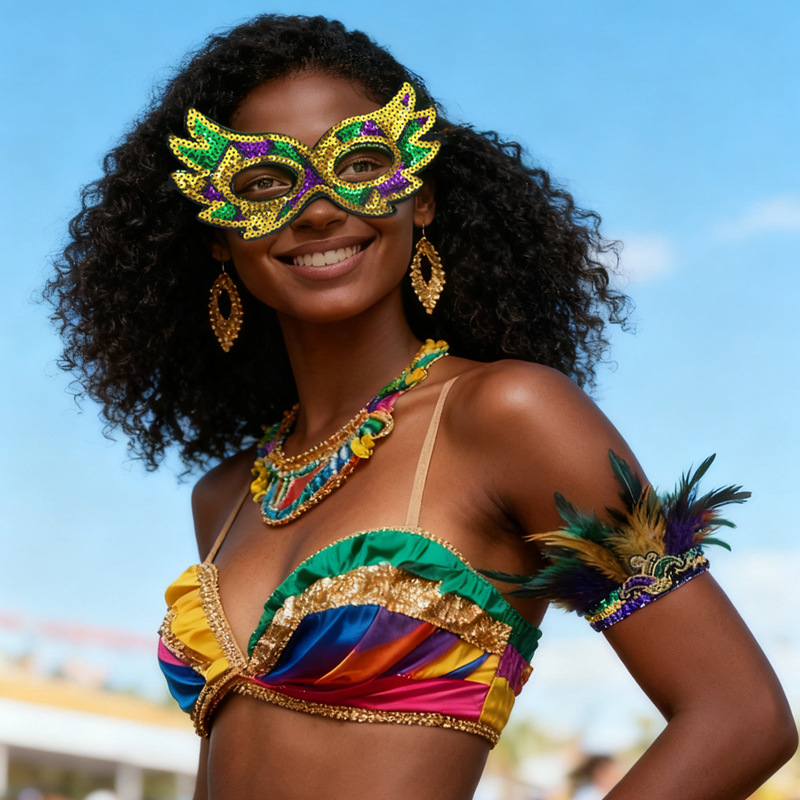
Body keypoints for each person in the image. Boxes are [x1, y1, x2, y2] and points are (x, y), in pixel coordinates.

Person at [45, 14, 796, 800]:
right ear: (215, 236)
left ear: (423, 199)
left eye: (360, 164)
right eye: (263, 184)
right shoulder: (227, 498)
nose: (318, 209)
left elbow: (739, 714)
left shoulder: (509, 416)